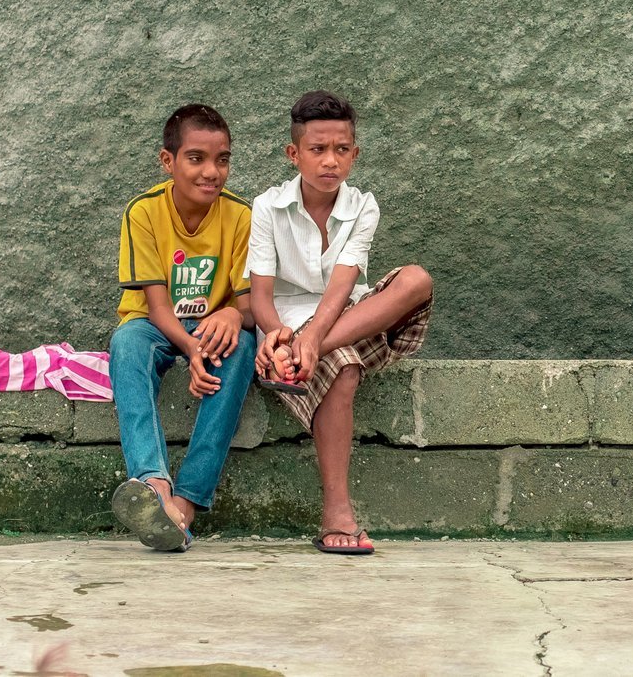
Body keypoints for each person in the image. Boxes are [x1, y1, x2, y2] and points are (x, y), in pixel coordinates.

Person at [248, 90, 434, 555]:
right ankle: (337, 509)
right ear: (294, 154)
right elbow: (261, 296)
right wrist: (279, 337)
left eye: (342, 150)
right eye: (317, 149)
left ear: (355, 153)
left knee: (416, 280)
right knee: (345, 367)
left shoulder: (363, 205)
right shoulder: (267, 207)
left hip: (345, 316)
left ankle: (314, 353)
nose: (330, 161)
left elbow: (343, 285)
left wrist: (313, 340)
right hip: (288, 326)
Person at [108, 103, 258, 552]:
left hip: (212, 327)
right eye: (196, 158)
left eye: (223, 159)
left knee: (244, 344)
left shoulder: (241, 216)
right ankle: (155, 484)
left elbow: (250, 306)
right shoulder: (143, 212)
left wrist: (233, 314)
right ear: (168, 161)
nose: (211, 171)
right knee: (126, 342)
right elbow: (156, 309)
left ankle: (186, 503)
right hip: (158, 327)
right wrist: (192, 351)